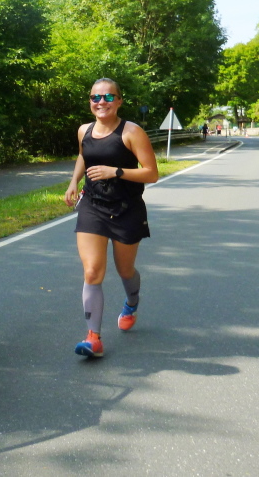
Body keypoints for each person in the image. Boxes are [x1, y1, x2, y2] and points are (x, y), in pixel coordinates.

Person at [63, 78, 159, 358]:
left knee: (125, 270)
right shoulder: (84, 130)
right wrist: (74, 181)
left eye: (108, 97)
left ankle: (132, 301)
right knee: (92, 271)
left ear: (119, 101)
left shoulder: (131, 132)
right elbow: (84, 156)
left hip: (127, 208)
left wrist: (115, 172)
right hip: (93, 205)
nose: (101, 102)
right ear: (90, 102)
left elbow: (152, 173)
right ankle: (93, 338)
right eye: (95, 97)